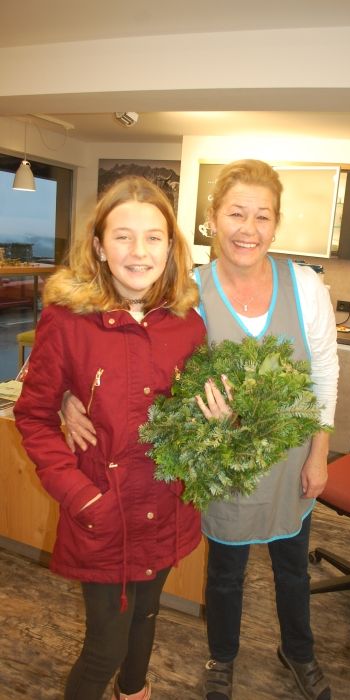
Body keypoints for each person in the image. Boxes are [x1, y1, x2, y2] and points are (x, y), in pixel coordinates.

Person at [62, 160, 339, 700]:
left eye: (262, 216)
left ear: (276, 224)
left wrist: (320, 453)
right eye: (236, 213)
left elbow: (324, 371)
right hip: (217, 465)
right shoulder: (185, 290)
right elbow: (123, 350)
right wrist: (70, 395)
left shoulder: (305, 286)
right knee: (226, 572)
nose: (248, 228)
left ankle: (299, 652)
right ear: (212, 218)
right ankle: (222, 659)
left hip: (291, 462)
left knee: (293, 568)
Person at [13, 176, 229, 700]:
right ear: (99, 247)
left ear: (170, 248)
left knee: (147, 618)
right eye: (123, 236)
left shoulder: (188, 325)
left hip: (165, 507)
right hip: (104, 513)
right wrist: (81, 496)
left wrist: (219, 422)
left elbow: (193, 418)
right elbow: (33, 417)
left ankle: (133, 693)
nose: (139, 252)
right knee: (104, 649)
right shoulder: (67, 322)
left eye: (153, 237)